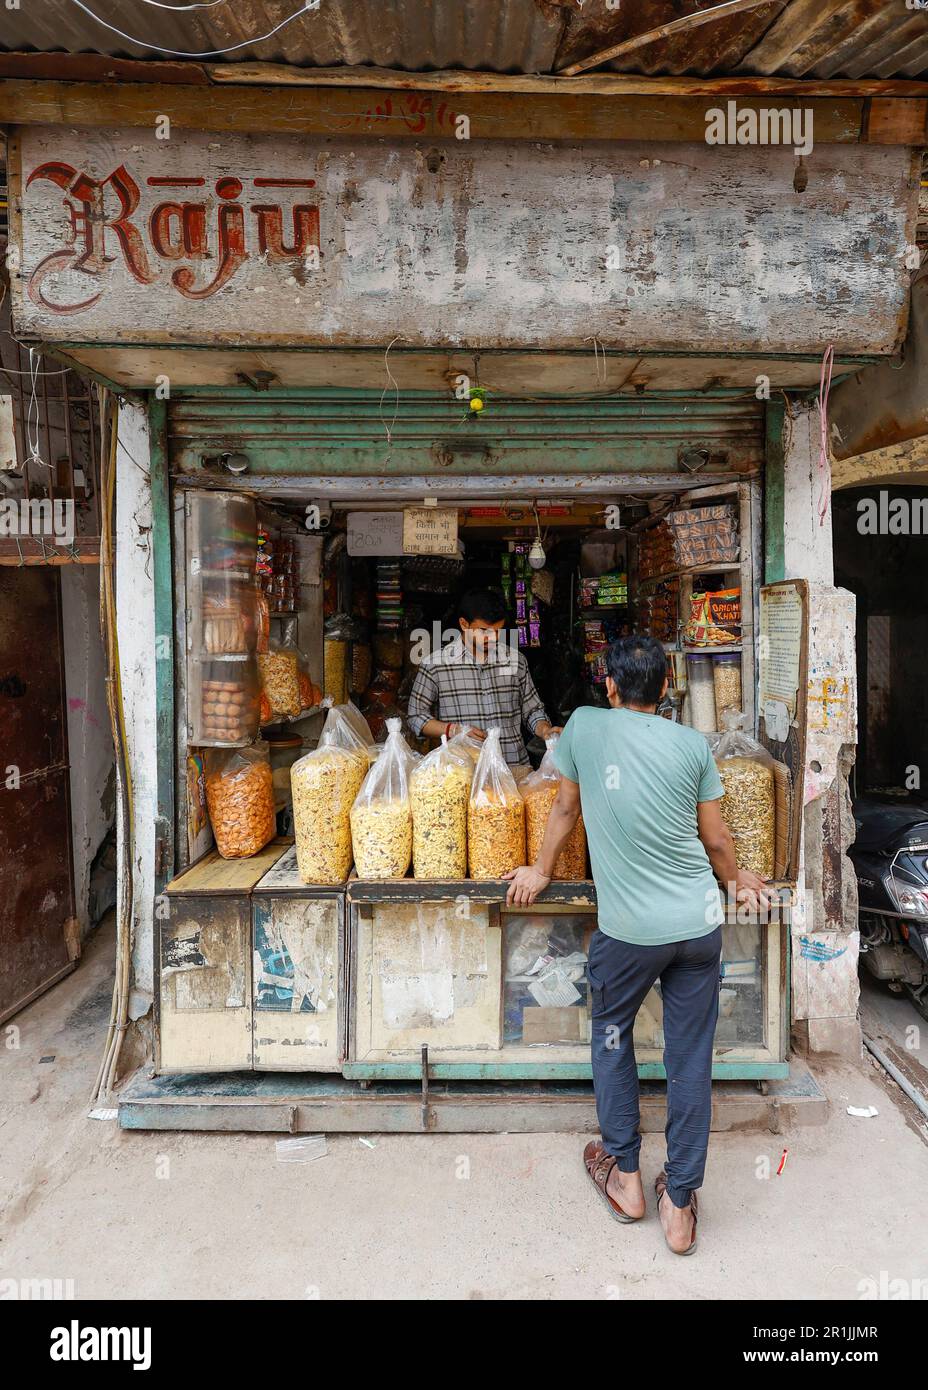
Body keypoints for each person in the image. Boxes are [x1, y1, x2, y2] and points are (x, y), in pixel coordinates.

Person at [504, 634, 771, 1255]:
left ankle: (625, 1177)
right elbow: (717, 840)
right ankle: (679, 1206)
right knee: (689, 1058)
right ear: (668, 690)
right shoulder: (690, 745)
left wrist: (540, 870)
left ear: (611, 687)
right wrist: (738, 880)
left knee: (612, 1038)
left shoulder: (586, 728)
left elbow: (565, 808)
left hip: (628, 936)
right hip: (698, 928)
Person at [407, 586, 560, 775]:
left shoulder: (515, 660)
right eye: (484, 631)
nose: (492, 638)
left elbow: (532, 711)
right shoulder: (436, 664)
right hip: (463, 774)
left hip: (513, 769)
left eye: (497, 631)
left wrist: (545, 730)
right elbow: (415, 717)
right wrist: (454, 730)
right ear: (464, 624)